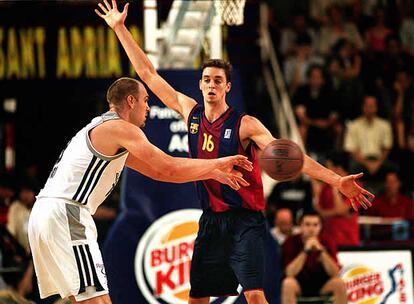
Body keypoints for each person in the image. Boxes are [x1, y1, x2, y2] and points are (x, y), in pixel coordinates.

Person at [95, 1, 374, 303]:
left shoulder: (246, 125)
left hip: (245, 220)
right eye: (206, 80)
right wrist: (120, 28)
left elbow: (292, 157)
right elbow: (148, 74)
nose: (211, 85)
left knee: (254, 296)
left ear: (228, 87)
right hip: (211, 221)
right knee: (197, 299)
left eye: (218, 80)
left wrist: (336, 181)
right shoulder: (191, 112)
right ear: (200, 86)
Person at [27, 75, 254, 304]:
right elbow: (168, 166)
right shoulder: (121, 128)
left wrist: (211, 173)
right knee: (97, 301)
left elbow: (159, 172)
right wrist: (218, 163)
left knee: (81, 299)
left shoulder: (105, 128)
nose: (148, 107)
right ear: (130, 101)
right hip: (67, 214)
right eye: (145, 100)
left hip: (47, 213)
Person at [281, 211, 347, 304]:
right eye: (307, 225)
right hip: (299, 284)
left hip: (322, 284)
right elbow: (289, 273)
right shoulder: (290, 241)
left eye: (315, 225)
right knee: (288, 283)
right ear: (300, 226)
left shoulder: (327, 241)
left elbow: (335, 273)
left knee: (339, 283)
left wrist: (321, 251)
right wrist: (305, 251)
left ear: (320, 227)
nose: (311, 229)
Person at [313, 151, 360, 247]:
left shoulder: (355, 186)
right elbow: (320, 212)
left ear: (337, 169)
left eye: (328, 167)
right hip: (328, 240)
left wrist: (335, 187)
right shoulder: (325, 187)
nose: (325, 170)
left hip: (348, 240)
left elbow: (340, 210)